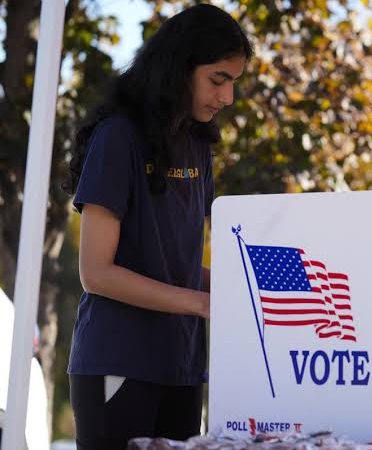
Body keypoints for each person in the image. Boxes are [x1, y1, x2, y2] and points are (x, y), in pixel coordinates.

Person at [63, 4, 253, 449]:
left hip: (184, 367)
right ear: (179, 67)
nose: (226, 98)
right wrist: (201, 303)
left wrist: (243, 291)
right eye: (217, 80)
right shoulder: (118, 136)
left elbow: (180, 266)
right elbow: (96, 273)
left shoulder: (198, 145)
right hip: (119, 362)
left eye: (233, 83)